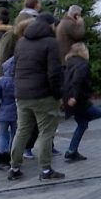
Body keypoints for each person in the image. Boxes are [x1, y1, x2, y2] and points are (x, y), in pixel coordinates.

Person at [7, 13, 65, 181]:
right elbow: (54, 73)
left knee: (22, 131)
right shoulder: (51, 43)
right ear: (51, 25)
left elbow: (15, 67)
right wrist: (58, 94)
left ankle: (14, 168)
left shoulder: (21, 41)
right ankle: (46, 170)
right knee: (46, 132)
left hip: (22, 94)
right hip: (43, 95)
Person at [62, 42, 101, 162]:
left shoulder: (68, 63)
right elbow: (77, 80)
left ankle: (72, 151)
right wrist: (74, 96)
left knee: (82, 124)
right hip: (79, 99)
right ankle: (71, 151)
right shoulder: (83, 65)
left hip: (69, 98)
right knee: (99, 113)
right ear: (81, 52)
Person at [0, 57, 17, 171]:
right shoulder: (19, 80)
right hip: (16, 112)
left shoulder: (1, 81)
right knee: (15, 135)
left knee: (2, 135)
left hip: (3, 113)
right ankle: (13, 156)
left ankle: (1, 159)